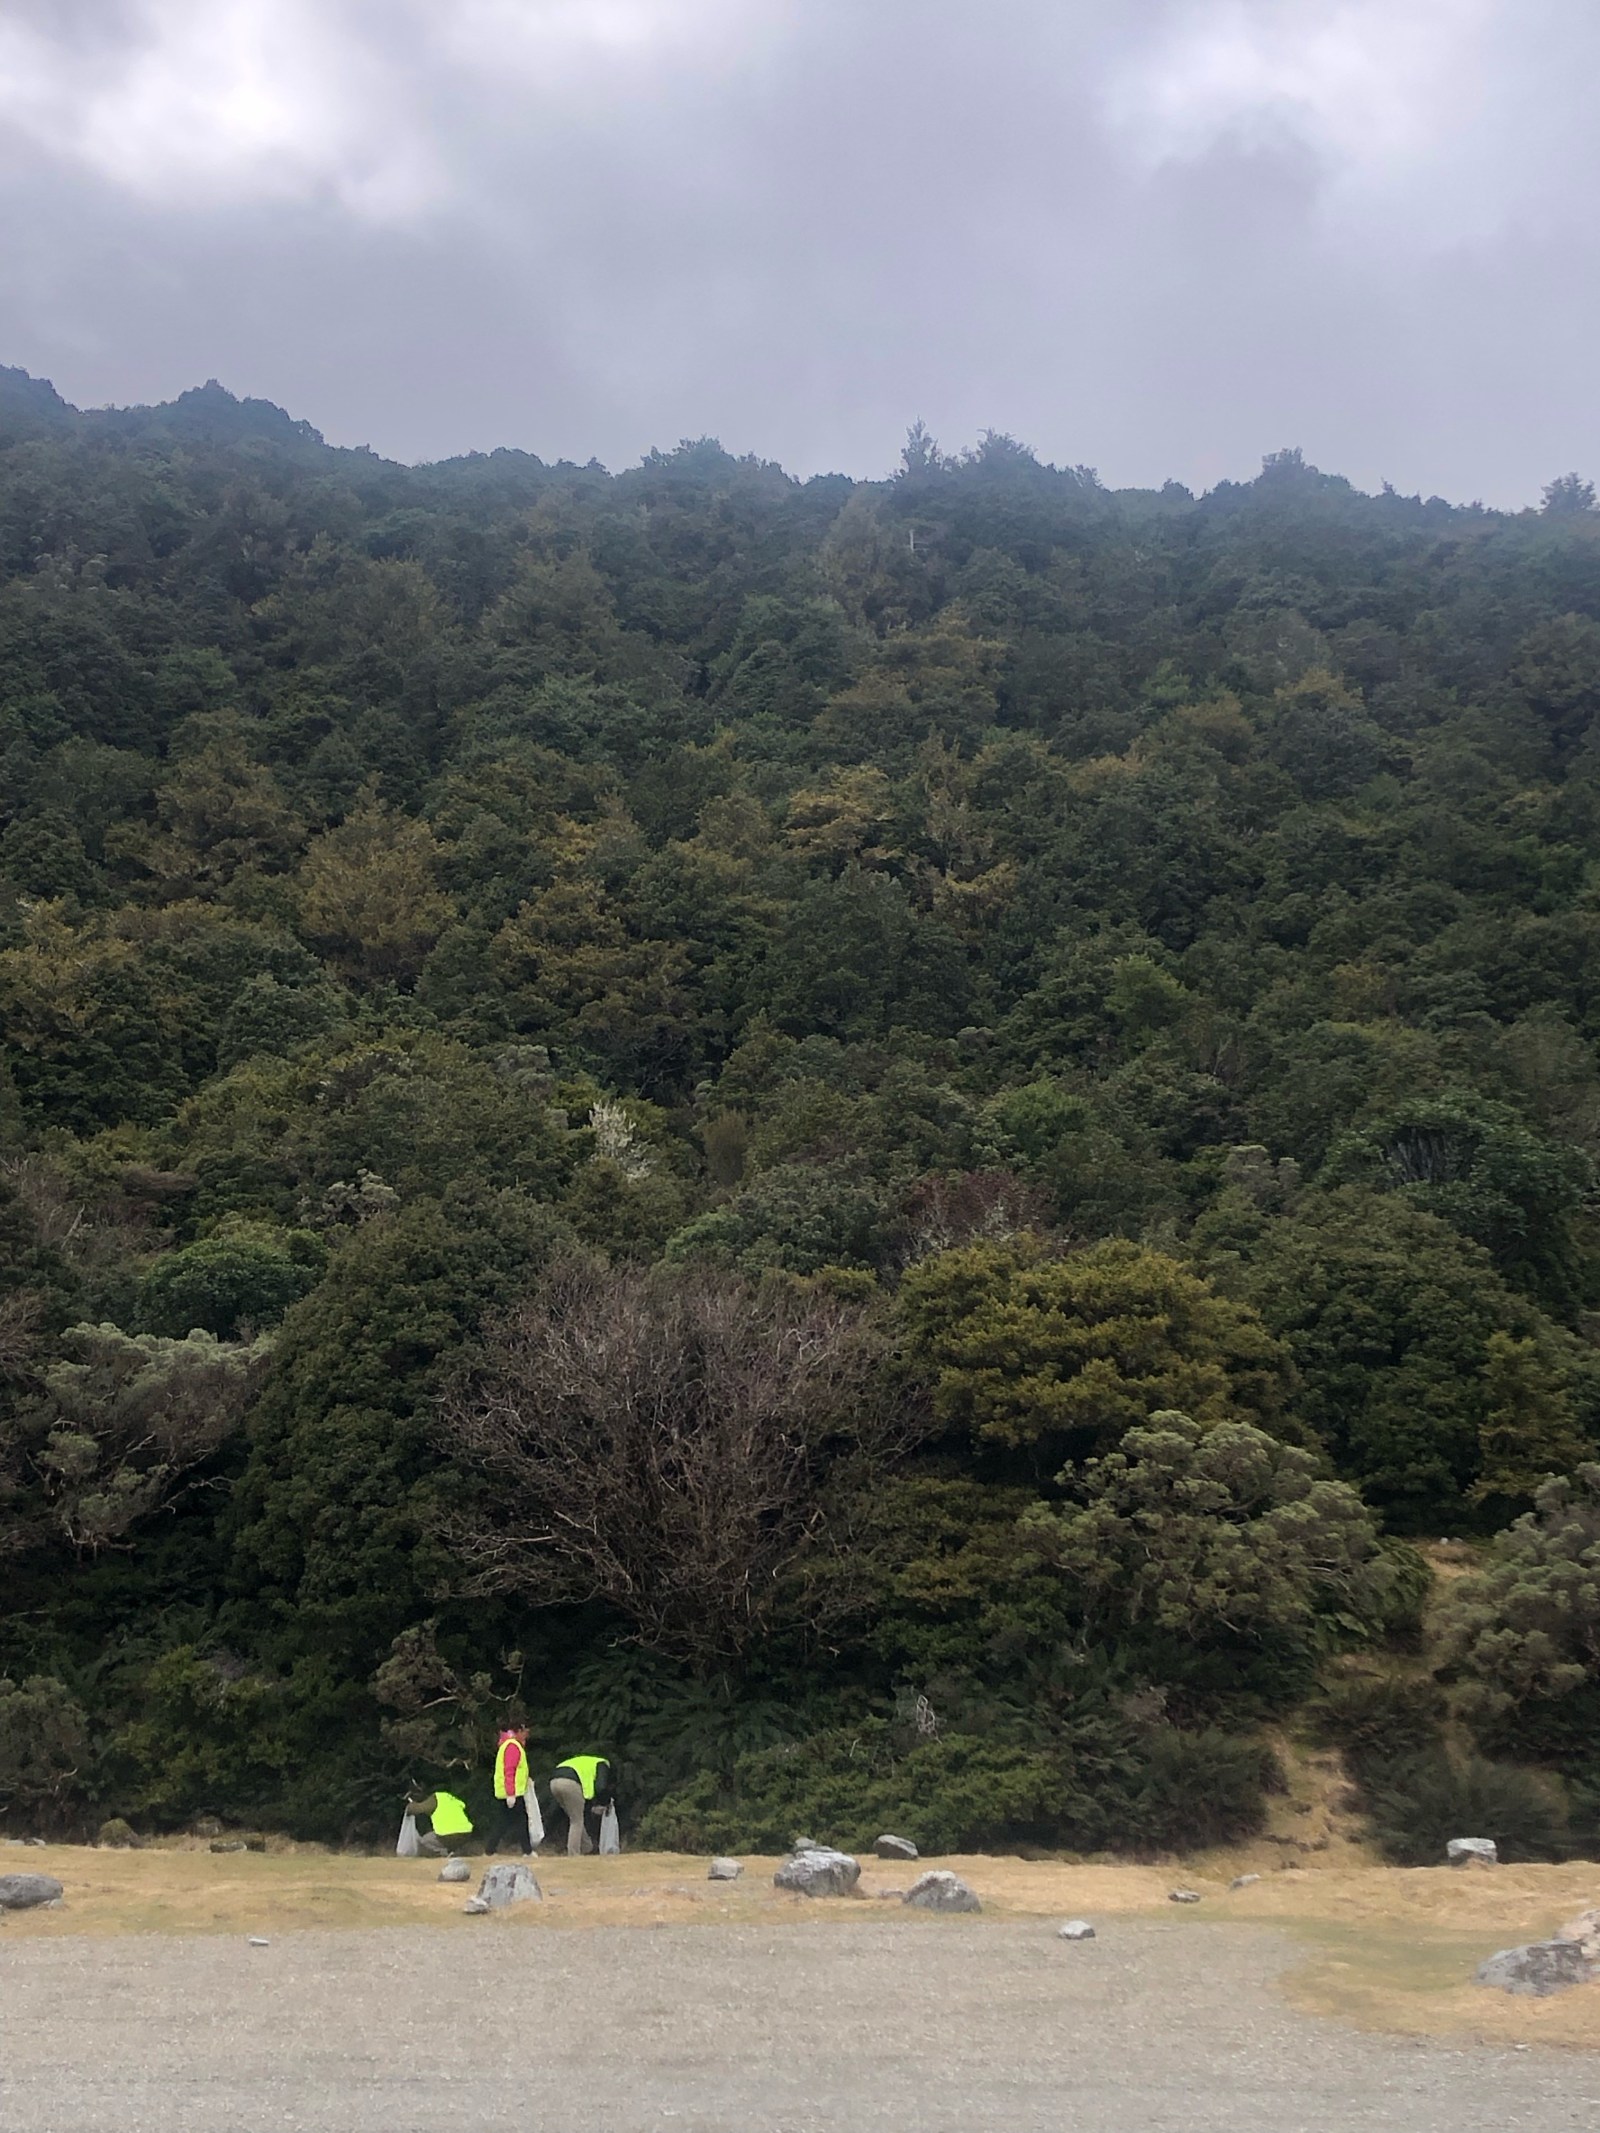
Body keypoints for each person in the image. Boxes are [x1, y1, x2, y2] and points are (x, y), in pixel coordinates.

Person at [549, 1753, 614, 1856]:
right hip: (570, 1783)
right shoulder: (602, 1764)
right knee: (576, 1820)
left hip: (554, 1782)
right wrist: (604, 1803)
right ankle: (573, 1854)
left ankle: (587, 1847)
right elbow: (601, 1787)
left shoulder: (586, 1761)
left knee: (575, 1817)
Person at [486, 1724, 533, 1855]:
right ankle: (527, 1852)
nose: (527, 1735)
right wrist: (511, 1793)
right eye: (525, 1731)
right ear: (518, 1731)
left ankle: (490, 1850)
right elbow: (510, 1770)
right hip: (512, 1792)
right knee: (521, 1820)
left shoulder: (507, 1744)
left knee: (502, 1822)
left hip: (507, 1791)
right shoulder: (513, 1746)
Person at [403, 1784, 474, 1857]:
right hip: (466, 1833)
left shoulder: (436, 1798)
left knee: (425, 1840)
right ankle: (458, 1852)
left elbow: (417, 1809)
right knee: (454, 1841)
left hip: (447, 1835)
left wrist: (411, 1805)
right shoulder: (451, 1799)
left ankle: (446, 1853)